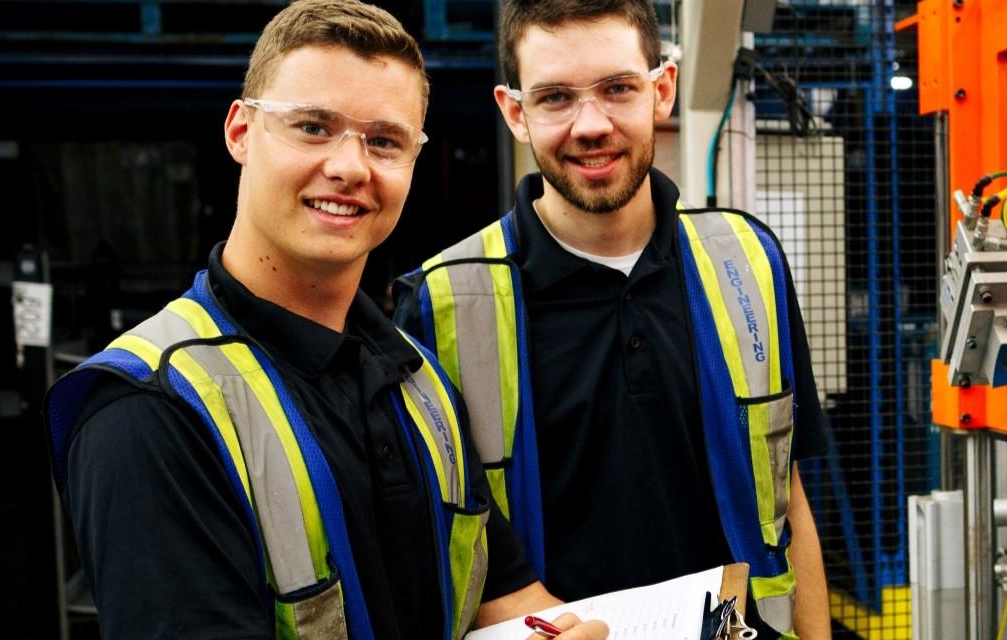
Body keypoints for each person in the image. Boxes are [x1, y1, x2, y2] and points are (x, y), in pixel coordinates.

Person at [44, 1, 603, 637]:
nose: (349, 167)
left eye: (385, 141)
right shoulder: (148, 411)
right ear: (240, 132)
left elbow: (502, 593)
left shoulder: (420, 383)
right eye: (312, 126)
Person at [391, 0, 831, 637]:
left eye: (618, 88)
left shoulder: (748, 261)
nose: (590, 124)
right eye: (555, 98)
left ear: (662, 91)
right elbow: (437, 540)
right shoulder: (443, 306)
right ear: (515, 113)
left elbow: (785, 495)